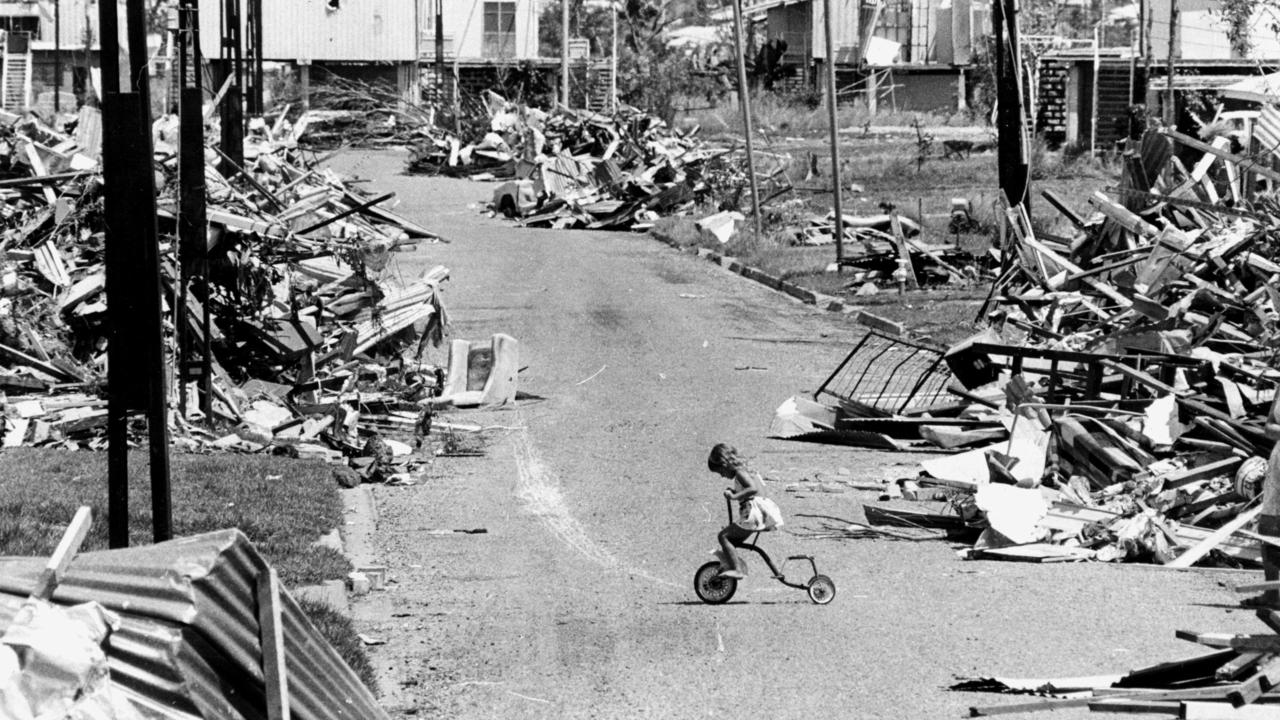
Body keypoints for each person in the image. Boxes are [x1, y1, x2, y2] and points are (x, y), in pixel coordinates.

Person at [708, 443, 783, 579]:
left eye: (721, 472)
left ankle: (737, 570)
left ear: (724, 464)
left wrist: (734, 496)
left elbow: (752, 489)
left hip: (753, 513)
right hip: (758, 511)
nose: (722, 476)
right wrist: (736, 491)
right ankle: (734, 564)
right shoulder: (745, 470)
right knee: (731, 538)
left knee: (723, 537)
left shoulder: (740, 473)